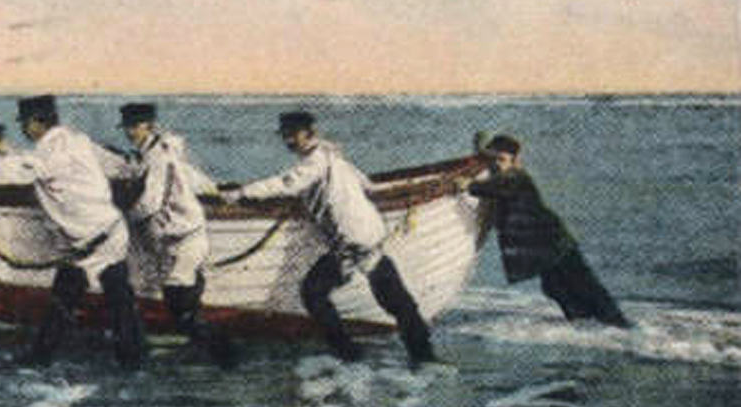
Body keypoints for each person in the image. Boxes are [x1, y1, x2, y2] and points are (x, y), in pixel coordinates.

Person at [220, 111, 435, 365]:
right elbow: (367, 186)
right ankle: (423, 356)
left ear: (308, 134)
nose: (288, 141)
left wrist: (241, 193)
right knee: (397, 302)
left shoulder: (315, 161)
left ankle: (350, 354)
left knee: (313, 292)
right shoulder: (333, 158)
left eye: (292, 135)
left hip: (352, 244)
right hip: (368, 237)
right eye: (285, 135)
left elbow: (287, 183)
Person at [0, 94, 145, 370]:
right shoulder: (77, 140)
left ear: (38, 123)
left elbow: (19, 172)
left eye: (25, 123)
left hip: (96, 242)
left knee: (112, 304)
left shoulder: (48, 153)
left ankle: (128, 364)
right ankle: (47, 357)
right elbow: (116, 165)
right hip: (105, 234)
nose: (23, 129)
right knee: (75, 302)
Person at [460, 134, 629, 327]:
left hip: (554, 242)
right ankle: (590, 323)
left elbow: (492, 188)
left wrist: (469, 186)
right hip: (546, 244)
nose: (496, 164)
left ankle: (615, 325)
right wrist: (479, 152)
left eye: (501, 160)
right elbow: (492, 178)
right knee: (556, 287)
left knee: (584, 286)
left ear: (514, 161)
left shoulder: (516, 178)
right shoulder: (505, 175)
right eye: (493, 159)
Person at [117, 103, 236, 367]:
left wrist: (121, 218)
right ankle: (207, 349)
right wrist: (216, 189)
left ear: (149, 126)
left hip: (184, 240)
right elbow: (194, 179)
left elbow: (151, 203)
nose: (129, 132)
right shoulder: (163, 151)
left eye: (134, 126)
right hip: (181, 239)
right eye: (126, 127)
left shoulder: (158, 157)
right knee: (184, 302)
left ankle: (225, 355)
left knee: (175, 299)